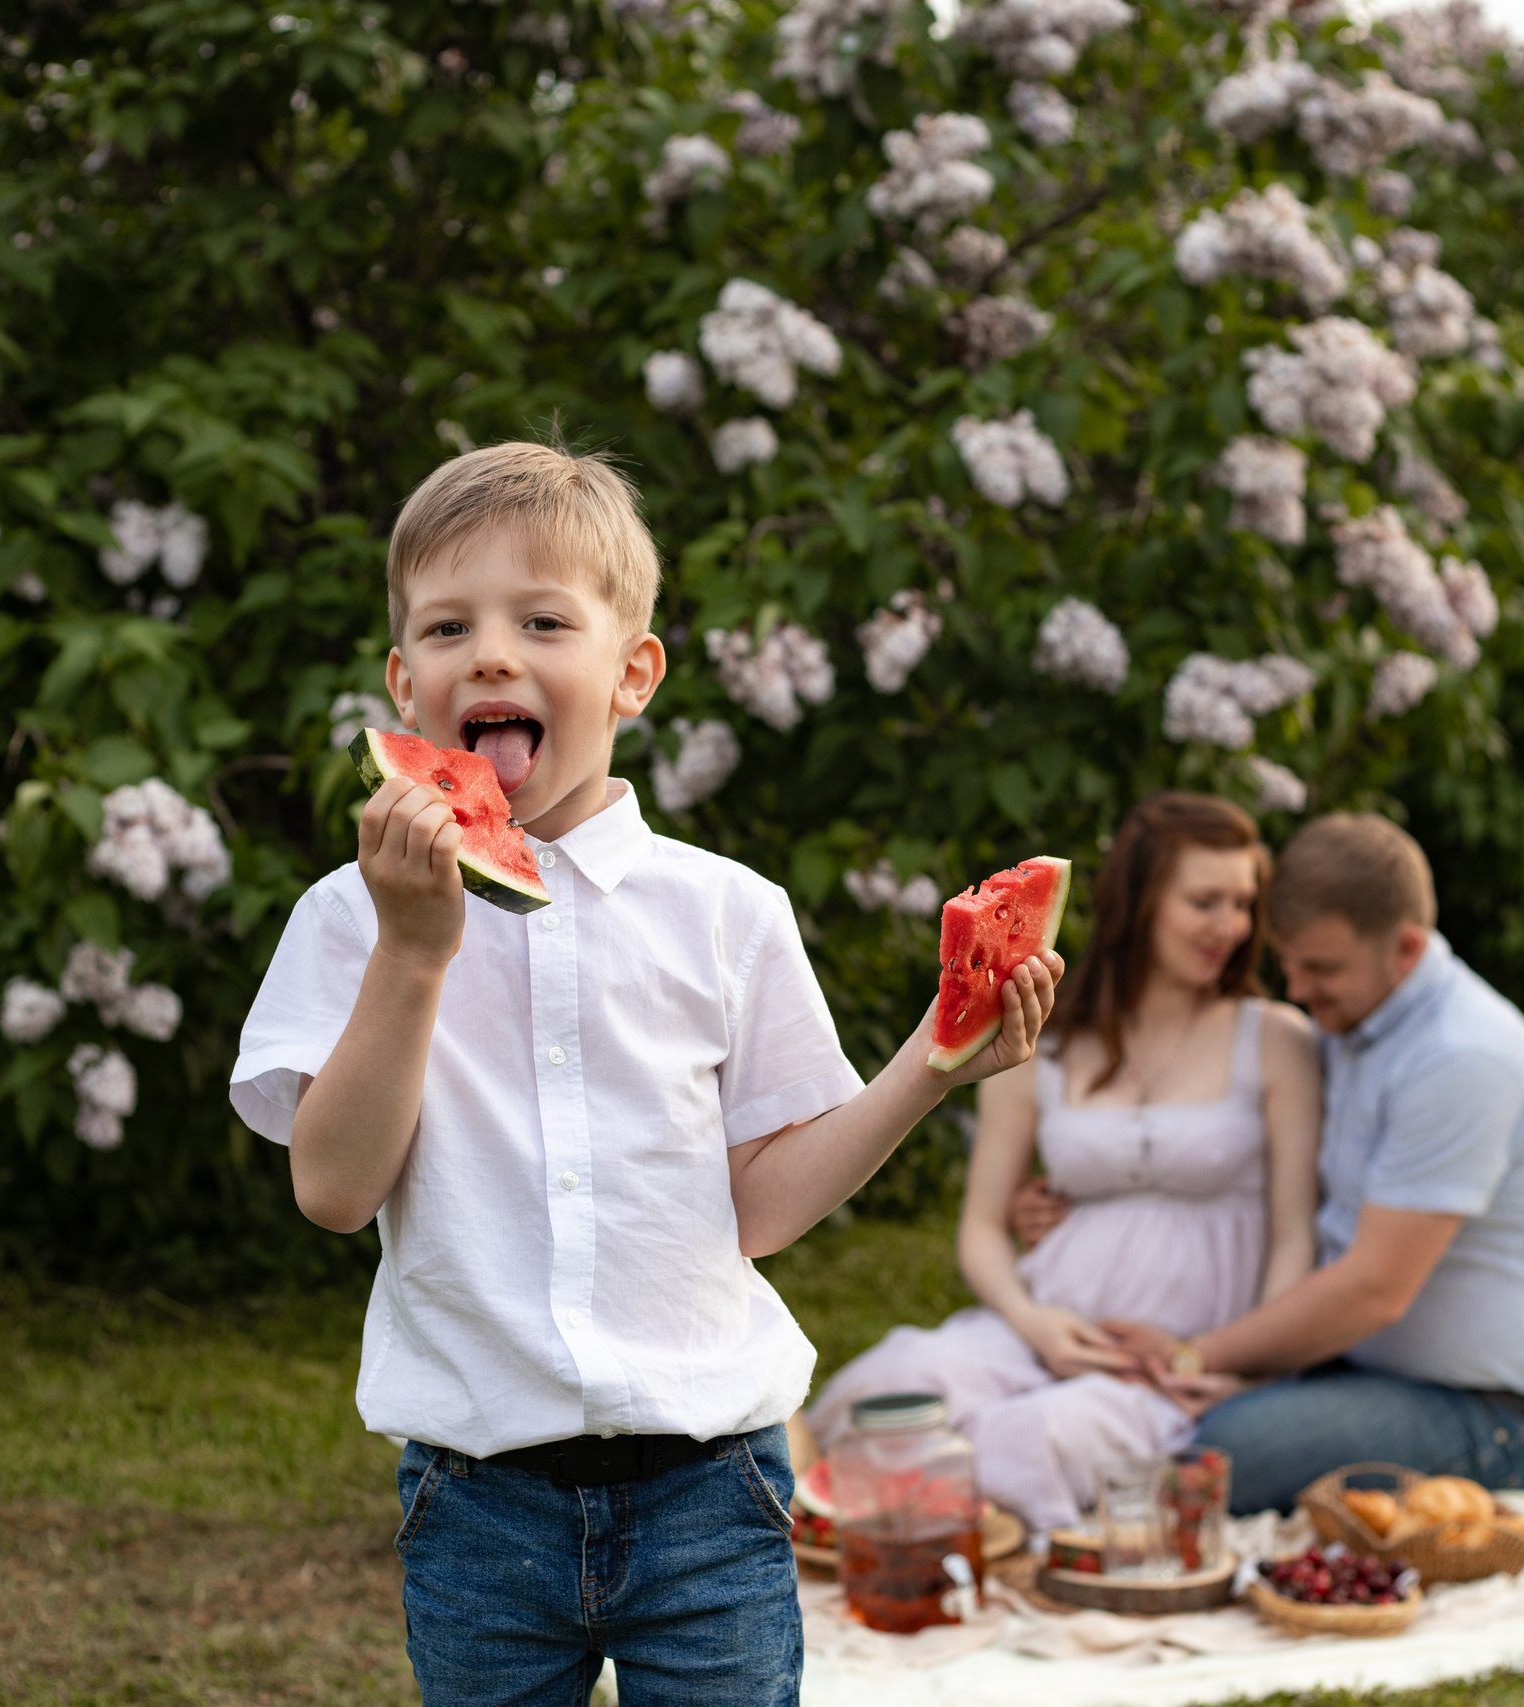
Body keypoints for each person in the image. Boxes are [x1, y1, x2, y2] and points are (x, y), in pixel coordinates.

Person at [228, 442, 1061, 1707]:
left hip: (709, 1485)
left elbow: (765, 1209)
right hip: (476, 1496)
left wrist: (930, 1069)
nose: (492, 655)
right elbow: (334, 1192)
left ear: (633, 674)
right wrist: (412, 950)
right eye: (448, 627)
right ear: (406, 686)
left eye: (542, 620)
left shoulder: (727, 912)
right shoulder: (351, 918)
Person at [1051, 813, 1524, 1517]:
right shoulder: (1356, 1021)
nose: (1299, 989)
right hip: (1350, 1369)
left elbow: (1374, 1289)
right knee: (1172, 1427)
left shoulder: (1461, 1058)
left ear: (1406, 948)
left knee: (1216, 1453)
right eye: (1290, 963)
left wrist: (1198, 1355)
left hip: (1483, 1412)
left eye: (1322, 968)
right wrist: (1073, 1192)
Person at [807, 793, 1321, 1535]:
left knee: (1032, 1443)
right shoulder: (1041, 1037)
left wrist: (1252, 1367)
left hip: (1170, 1358)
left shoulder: (1275, 1039)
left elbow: (1294, 1229)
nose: (1231, 926)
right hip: (1043, 1324)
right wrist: (1033, 1320)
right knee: (882, 1390)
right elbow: (983, 1225)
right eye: (1205, 901)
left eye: (1243, 903)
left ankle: (935, 1552)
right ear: (1140, 902)